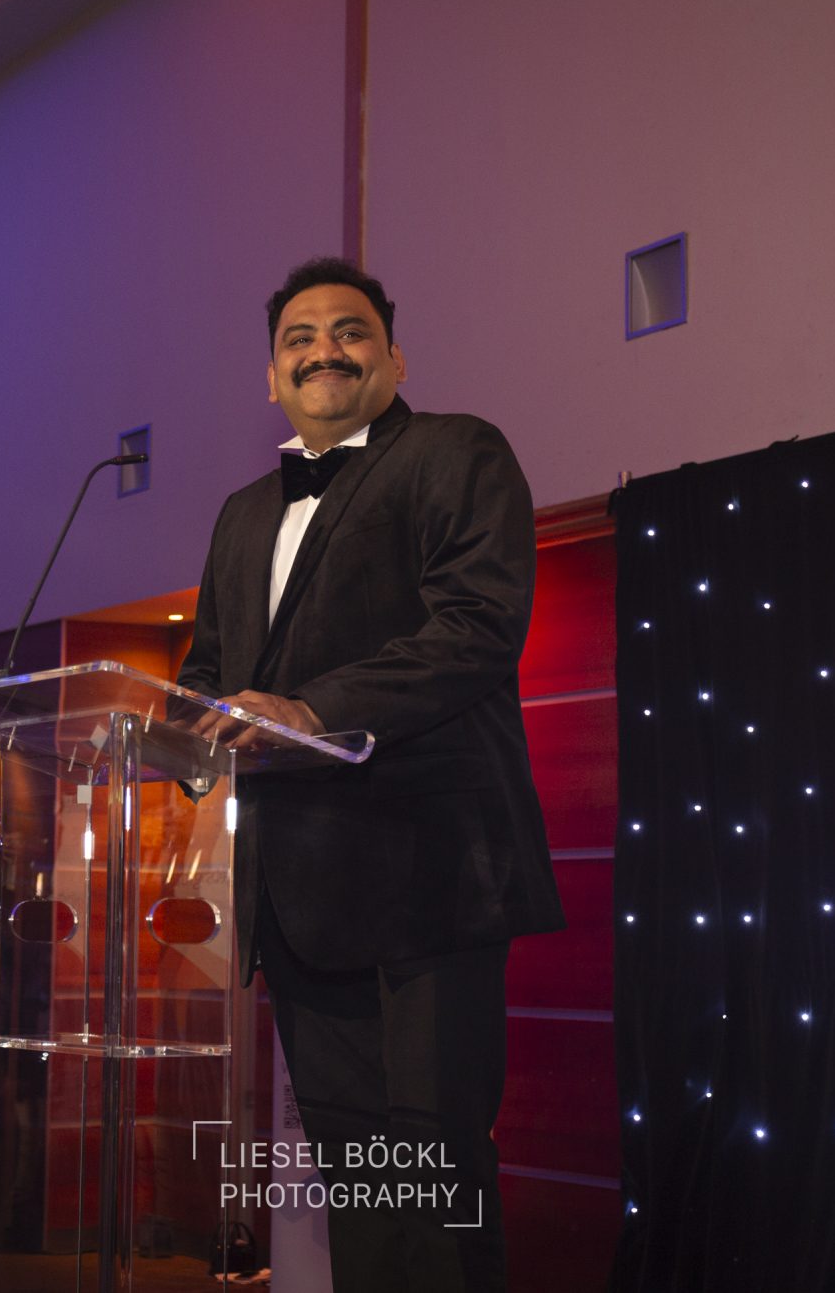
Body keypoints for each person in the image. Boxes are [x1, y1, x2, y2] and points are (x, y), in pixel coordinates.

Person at [178, 256, 565, 1292]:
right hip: (295, 893)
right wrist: (183, 732)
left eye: (348, 331)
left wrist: (314, 708)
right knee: (358, 1180)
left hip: (427, 875)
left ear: (394, 356)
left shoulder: (455, 451)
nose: (324, 350)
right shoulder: (240, 513)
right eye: (298, 338)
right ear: (271, 377)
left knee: (436, 1166)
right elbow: (208, 670)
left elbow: (475, 627)